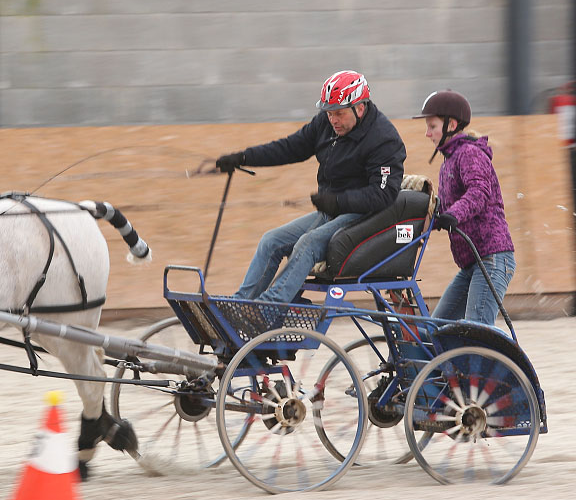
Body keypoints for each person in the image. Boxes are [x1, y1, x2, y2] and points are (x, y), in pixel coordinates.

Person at [211, 70, 406, 311]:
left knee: (308, 243)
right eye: (329, 113)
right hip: (331, 212)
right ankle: (241, 305)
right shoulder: (325, 124)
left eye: (339, 114)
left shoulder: (384, 139)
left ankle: (266, 310)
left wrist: (338, 202)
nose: (333, 120)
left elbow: (383, 195)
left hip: (363, 218)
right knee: (271, 240)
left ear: (360, 107)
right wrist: (243, 157)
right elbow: (290, 147)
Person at [413, 89, 515, 326]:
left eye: (432, 126)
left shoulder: (469, 153)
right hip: (472, 263)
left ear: (452, 124)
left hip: (492, 258)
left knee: (476, 329)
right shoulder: (449, 159)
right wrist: (431, 220)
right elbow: (449, 206)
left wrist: (452, 215)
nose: (427, 133)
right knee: (437, 329)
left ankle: (484, 361)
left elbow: (479, 192)